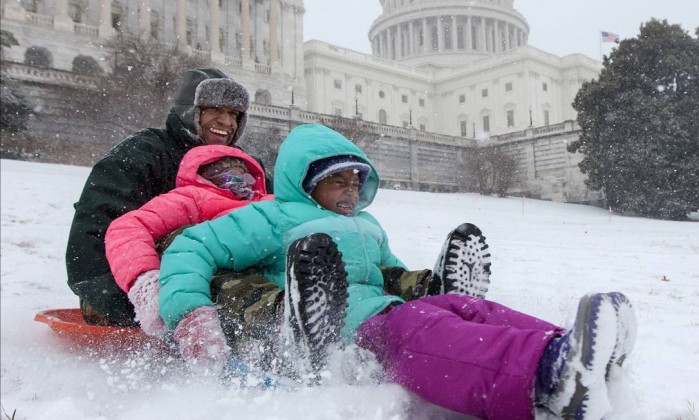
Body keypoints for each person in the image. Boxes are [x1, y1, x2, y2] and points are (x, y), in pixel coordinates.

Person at [158, 124, 637, 419]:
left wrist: (419, 285)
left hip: (381, 308)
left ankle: (572, 345)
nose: (349, 191)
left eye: (355, 181)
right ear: (304, 182)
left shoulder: (366, 225)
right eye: (335, 181)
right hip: (337, 329)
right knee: (420, 331)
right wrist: (189, 312)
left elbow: (387, 271)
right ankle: (548, 374)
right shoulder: (273, 216)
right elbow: (191, 248)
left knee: (458, 307)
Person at [65, 66, 261, 326]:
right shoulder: (146, 152)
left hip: (222, 278)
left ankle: (271, 309)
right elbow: (98, 217)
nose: (227, 122)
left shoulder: (243, 168)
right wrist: (112, 296)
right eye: (215, 110)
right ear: (191, 111)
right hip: (135, 287)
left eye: (234, 114)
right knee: (191, 237)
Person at [104, 145, 272, 336]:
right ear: (208, 178)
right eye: (231, 175)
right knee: (233, 284)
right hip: (221, 271)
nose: (242, 183)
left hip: (273, 263)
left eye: (247, 177)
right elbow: (128, 227)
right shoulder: (194, 197)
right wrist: (145, 280)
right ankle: (272, 317)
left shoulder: (267, 201)